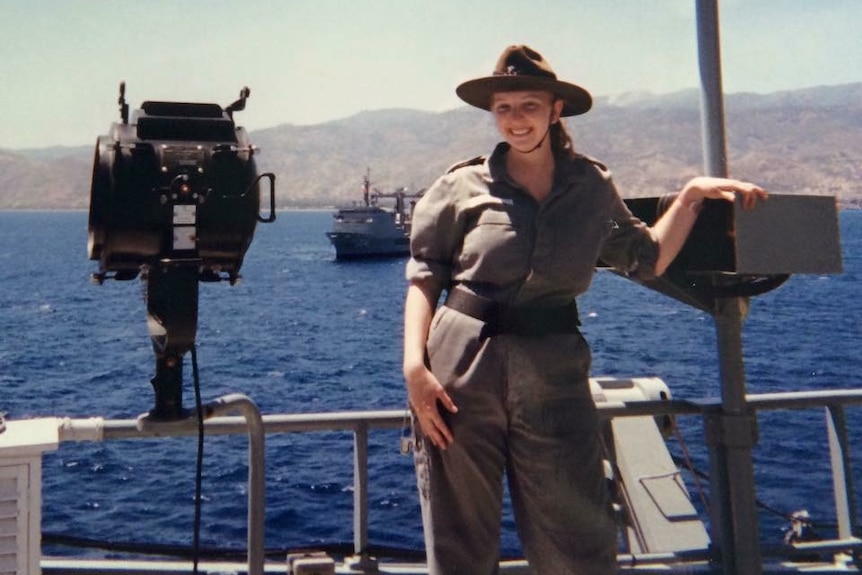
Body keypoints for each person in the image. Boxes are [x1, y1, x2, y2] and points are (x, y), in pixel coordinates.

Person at [402, 44, 766, 575]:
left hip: (553, 371)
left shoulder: (591, 187)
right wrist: (414, 366)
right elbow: (425, 275)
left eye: (529, 105)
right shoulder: (461, 186)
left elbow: (645, 258)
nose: (516, 119)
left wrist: (689, 198)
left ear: (556, 111)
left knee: (576, 540)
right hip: (459, 370)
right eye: (504, 108)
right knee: (459, 538)